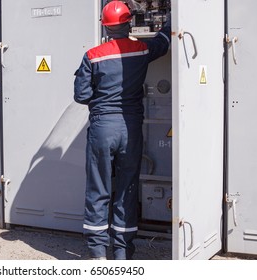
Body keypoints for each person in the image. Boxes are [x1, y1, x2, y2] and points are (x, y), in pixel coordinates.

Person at [74, 0, 171, 260]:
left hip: (102, 128)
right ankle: (122, 251)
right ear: (129, 23)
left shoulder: (93, 55)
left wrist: (102, 100)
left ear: (105, 27)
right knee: (128, 188)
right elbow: (163, 42)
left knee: (98, 188)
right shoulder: (142, 50)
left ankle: (97, 252)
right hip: (130, 128)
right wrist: (172, 17)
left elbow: (81, 96)